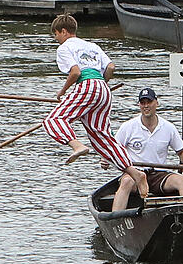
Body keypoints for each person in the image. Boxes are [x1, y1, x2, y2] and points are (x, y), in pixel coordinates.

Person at [42, 14, 149, 198]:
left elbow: (75, 72)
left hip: (87, 85)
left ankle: (76, 145)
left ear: (64, 31)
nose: (56, 39)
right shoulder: (92, 46)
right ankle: (135, 173)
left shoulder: (64, 47)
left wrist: (62, 93)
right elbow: (111, 68)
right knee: (103, 137)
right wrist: (100, 87)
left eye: (56, 35)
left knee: (54, 120)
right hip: (103, 89)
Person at [108, 87, 183, 211]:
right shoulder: (128, 127)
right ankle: (114, 220)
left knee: (182, 180)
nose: (146, 106)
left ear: (156, 103)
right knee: (126, 182)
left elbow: (182, 151)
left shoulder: (168, 127)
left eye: (149, 102)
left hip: (159, 174)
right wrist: (106, 160)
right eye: (143, 103)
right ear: (139, 105)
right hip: (135, 173)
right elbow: (113, 150)